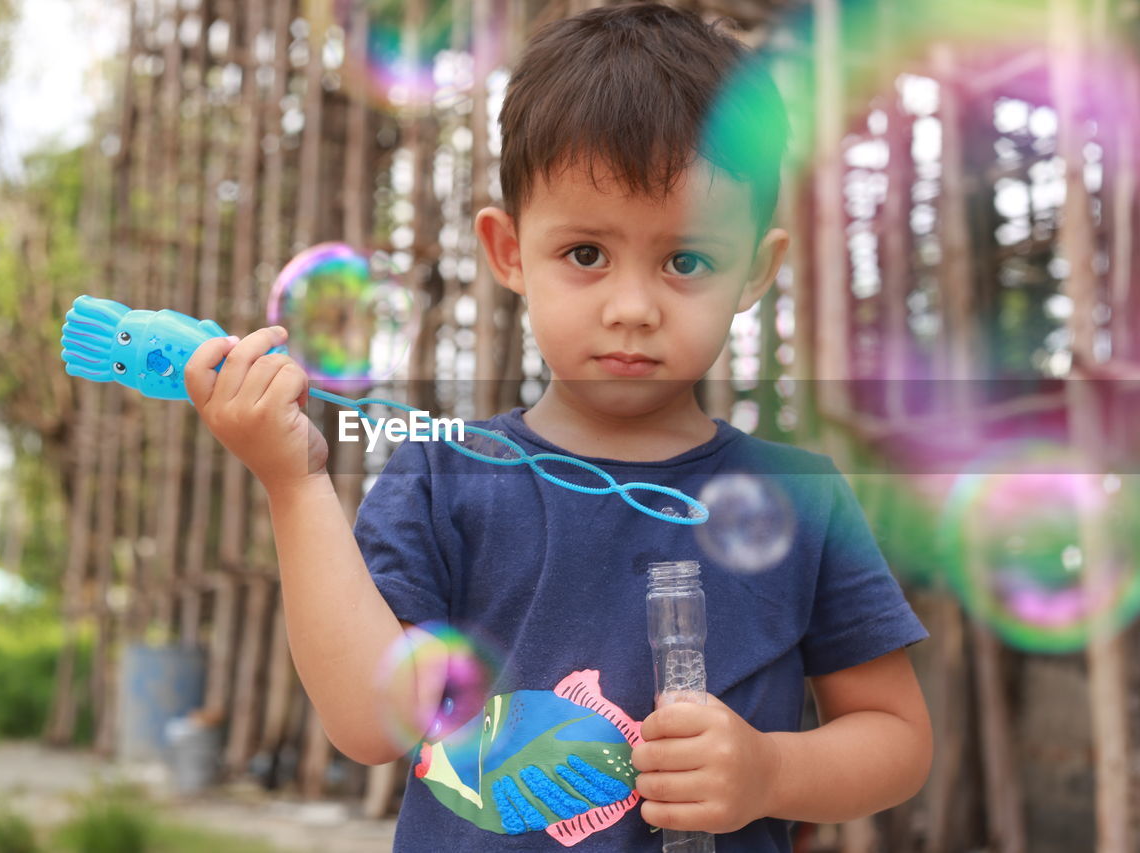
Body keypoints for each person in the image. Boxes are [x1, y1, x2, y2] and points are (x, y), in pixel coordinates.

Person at [183, 3, 932, 850]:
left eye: (687, 260)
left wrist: (768, 772)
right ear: (508, 252)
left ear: (755, 270)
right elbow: (369, 722)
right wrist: (293, 483)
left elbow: (897, 738)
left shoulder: (803, 498)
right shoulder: (443, 478)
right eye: (586, 254)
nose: (632, 308)